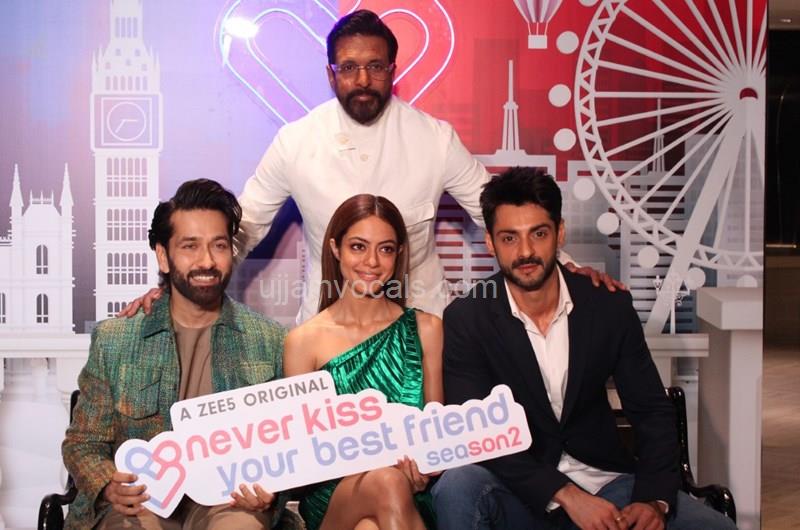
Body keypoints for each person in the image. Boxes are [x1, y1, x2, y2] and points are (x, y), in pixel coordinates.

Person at [120, 9, 620, 324]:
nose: (363, 79)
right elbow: (242, 228)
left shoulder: (435, 139)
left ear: (392, 71)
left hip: (422, 327)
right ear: (330, 73)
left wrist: (568, 267)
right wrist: (174, 289)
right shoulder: (296, 142)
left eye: (376, 67)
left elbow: (501, 213)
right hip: (327, 329)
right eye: (349, 68)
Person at [431, 168, 738, 530]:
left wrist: (653, 500)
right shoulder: (468, 318)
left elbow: (651, 411)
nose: (525, 251)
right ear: (490, 243)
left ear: (559, 233)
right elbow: (479, 435)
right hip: (519, 492)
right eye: (509, 238)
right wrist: (564, 493)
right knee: (458, 485)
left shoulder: (607, 305)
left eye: (539, 234)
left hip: (608, 484)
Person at [62, 179, 287, 530]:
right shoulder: (116, 339)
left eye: (219, 245)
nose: (207, 261)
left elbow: (288, 447)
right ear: (163, 256)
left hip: (227, 500)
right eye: (190, 246)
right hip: (142, 500)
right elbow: (83, 443)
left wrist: (271, 491)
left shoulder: (269, 340)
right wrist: (107, 483)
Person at [283, 194, 441, 530]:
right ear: (335, 248)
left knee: (372, 523)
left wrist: (425, 469)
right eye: (358, 247)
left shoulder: (426, 330)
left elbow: (436, 438)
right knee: (386, 482)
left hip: (410, 496)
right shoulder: (303, 341)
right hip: (333, 498)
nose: (372, 261)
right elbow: (302, 453)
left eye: (385, 249)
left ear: (398, 254)